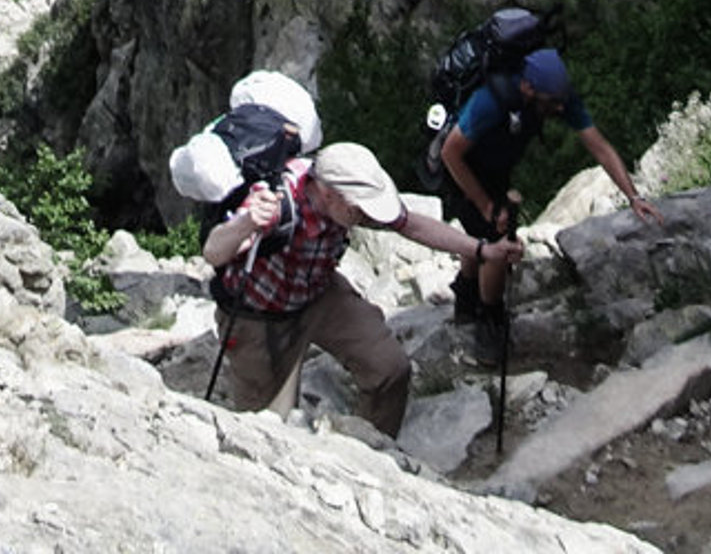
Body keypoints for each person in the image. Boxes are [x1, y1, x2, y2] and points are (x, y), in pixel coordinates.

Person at [204, 139, 520, 434]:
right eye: (358, 207)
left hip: (318, 292)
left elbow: (412, 225)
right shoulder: (275, 200)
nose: (364, 214)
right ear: (327, 193)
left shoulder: (347, 202)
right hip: (259, 315)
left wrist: (484, 250)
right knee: (268, 425)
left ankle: (371, 449)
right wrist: (247, 223)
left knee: (389, 368)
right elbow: (214, 252)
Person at [438, 46, 658, 352]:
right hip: (460, 170)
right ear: (527, 88)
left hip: (493, 167)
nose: (559, 108)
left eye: (560, 100)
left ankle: (466, 297)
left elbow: (599, 146)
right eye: (551, 102)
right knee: (496, 242)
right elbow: (450, 152)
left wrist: (634, 196)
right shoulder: (490, 101)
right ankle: (489, 319)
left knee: (481, 233)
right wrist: (485, 205)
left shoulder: (555, 96)